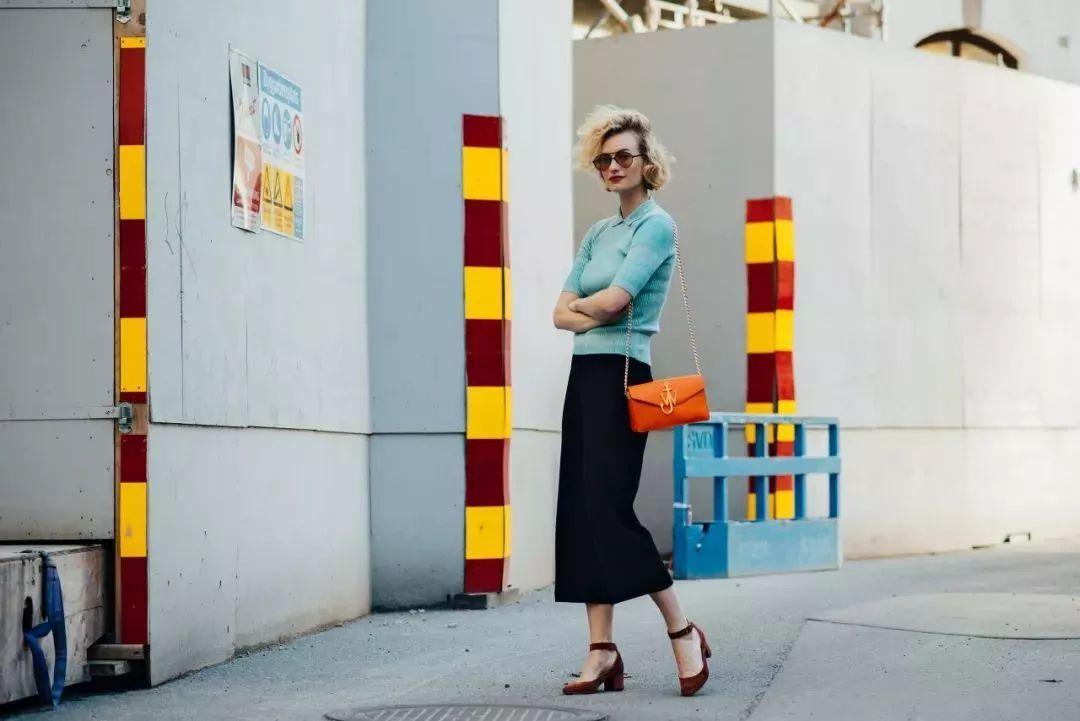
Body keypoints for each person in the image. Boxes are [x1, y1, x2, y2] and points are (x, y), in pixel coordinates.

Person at [552, 105, 711, 698]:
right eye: (603, 159)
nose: (612, 167)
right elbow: (558, 312)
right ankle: (601, 651)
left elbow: (616, 301)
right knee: (582, 509)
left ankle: (682, 628)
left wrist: (586, 309)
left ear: (647, 162)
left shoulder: (657, 225)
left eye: (623, 156)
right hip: (584, 378)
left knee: (611, 510)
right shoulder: (599, 233)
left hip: (622, 376)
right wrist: (585, 310)